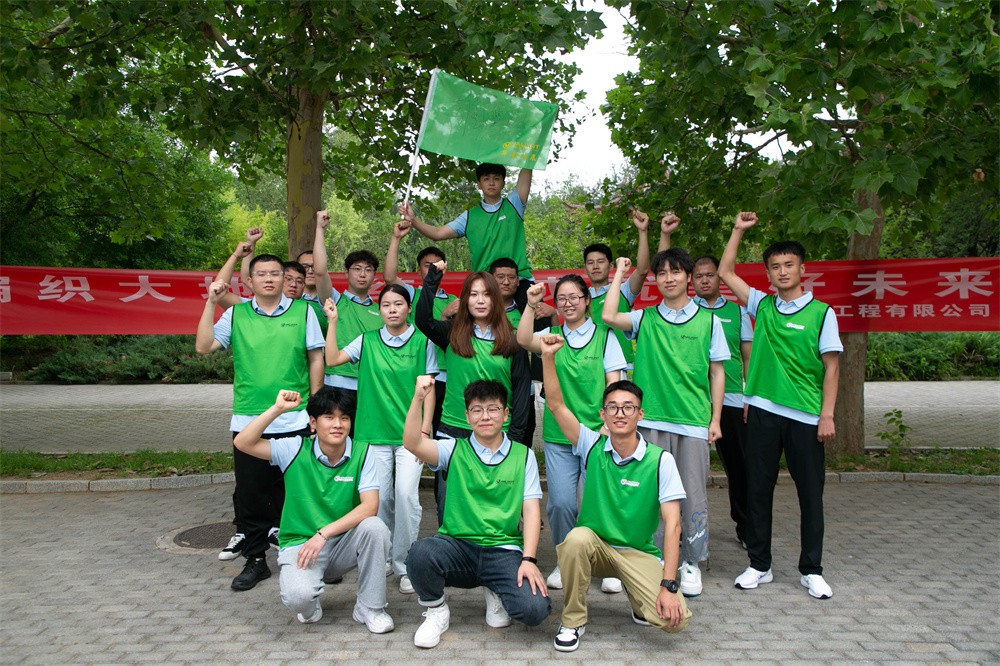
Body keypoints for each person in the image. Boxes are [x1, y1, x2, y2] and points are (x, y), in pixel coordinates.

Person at [718, 212, 842, 600]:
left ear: (802, 269)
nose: (782, 271)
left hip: (806, 416)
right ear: (768, 273)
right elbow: (725, 271)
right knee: (758, 490)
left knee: (810, 495)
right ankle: (759, 564)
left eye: (789, 264)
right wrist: (738, 230)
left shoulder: (822, 313)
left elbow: (832, 367)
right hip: (762, 413)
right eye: (775, 266)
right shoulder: (762, 305)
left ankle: (812, 570)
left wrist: (827, 414)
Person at [539, 335, 691, 652]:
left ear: (640, 414)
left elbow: (673, 526)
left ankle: (638, 598)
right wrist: (548, 358)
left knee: (674, 622)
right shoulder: (590, 445)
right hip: (595, 548)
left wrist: (668, 584)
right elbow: (555, 405)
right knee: (575, 539)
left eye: (628, 407)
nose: (620, 413)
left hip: (637, 552)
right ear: (603, 414)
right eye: (613, 407)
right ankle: (572, 621)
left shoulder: (660, 461)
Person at [601, 251, 728, 598]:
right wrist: (619, 273)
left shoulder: (709, 322)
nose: (669, 278)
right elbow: (608, 315)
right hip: (651, 421)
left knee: (693, 494)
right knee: (649, 494)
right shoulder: (645, 318)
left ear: (688, 277)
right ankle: (651, 558)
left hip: (692, 421)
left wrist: (715, 419)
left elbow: (717, 373)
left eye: (676, 272)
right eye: (662, 273)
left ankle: (691, 561)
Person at [195, 254, 325, 591]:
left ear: (284, 278)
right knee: (251, 494)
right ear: (249, 281)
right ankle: (255, 560)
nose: (269, 279)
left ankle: (306, 556)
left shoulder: (304, 312)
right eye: (262, 274)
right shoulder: (236, 314)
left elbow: (316, 358)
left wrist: (315, 407)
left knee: (298, 492)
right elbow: (204, 346)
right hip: (249, 418)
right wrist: (211, 303)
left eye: (275, 274)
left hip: (295, 417)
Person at [402, 376, 550, 649]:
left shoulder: (524, 455)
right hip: (458, 547)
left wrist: (529, 559)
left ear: (505, 414)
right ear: (467, 416)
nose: (485, 416)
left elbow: (531, 511)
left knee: (535, 610)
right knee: (420, 555)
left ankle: (495, 589)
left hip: (503, 551)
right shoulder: (453, 449)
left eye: (493, 409)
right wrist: (418, 398)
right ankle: (436, 610)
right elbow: (412, 443)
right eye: (477, 410)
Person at [232, 388, 394, 633]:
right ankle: (309, 603)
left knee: (375, 527)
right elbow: (243, 442)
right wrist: (277, 409)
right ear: (313, 423)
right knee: (299, 598)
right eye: (329, 417)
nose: (338, 424)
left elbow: (370, 506)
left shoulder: (363, 451)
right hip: (302, 545)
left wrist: (324, 534)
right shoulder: (294, 449)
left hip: (341, 543)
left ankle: (370, 607)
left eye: (344, 418)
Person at [323, 284, 438, 594]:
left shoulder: (422, 341)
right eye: (386, 304)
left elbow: (429, 388)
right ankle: (384, 554)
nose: (392, 309)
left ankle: (405, 564)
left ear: (409, 308)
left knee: (406, 495)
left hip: (411, 437)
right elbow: (332, 358)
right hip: (373, 434)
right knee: (380, 499)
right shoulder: (367, 340)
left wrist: (424, 430)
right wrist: (333, 321)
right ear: (380, 310)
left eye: (398, 304)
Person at [517, 277, 628, 595]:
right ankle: (566, 561)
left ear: (587, 300)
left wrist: (609, 424)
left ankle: (608, 564)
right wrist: (531, 305)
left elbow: (614, 383)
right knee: (561, 504)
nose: (568, 303)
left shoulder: (605, 337)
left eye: (574, 297)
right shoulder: (552, 336)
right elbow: (523, 339)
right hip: (559, 435)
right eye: (561, 299)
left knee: (599, 501)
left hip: (597, 434)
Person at [414, 261, 532, 523]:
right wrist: (433, 278)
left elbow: (522, 390)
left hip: (498, 433)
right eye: (473, 294)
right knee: (450, 507)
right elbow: (422, 319)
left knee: (494, 508)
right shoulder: (452, 333)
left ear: (495, 299)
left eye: (486, 294)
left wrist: (515, 436)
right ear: (465, 299)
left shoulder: (513, 339)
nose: (480, 300)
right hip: (454, 432)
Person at [399, 163, 534, 305]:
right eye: (486, 179)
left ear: (503, 183)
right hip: (485, 284)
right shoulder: (469, 216)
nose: (491, 183)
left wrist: (531, 153)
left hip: (519, 279)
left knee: (539, 317)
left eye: (496, 178)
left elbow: (527, 168)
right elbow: (437, 233)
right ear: (479, 184)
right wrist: (413, 220)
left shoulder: (514, 204)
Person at [691, 254, 754, 549]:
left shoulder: (738, 312)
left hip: (731, 400)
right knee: (685, 470)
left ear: (720, 278)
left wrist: (749, 396)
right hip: (693, 401)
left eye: (710, 275)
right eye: (698, 276)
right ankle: (683, 529)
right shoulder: (686, 311)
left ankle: (746, 527)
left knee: (740, 467)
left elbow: (748, 358)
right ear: (691, 281)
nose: (704, 280)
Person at [583, 209, 673, 367]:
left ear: (611, 266)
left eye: (601, 262)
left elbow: (642, 270)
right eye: (590, 263)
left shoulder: (623, 291)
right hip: (589, 366)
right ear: (585, 268)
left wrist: (642, 231)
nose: (595, 266)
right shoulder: (579, 298)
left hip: (622, 366)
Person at [490, 256, 557, 449]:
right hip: (489, 386)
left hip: (524, 389)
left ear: (518, 282)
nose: (506, 282)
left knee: (522, 443)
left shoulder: (530, 312)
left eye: (511, 277)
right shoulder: (480, 311)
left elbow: (552, 339)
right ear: (491, 279)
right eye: (500, 277)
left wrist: (553, 314)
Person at [321, 249, 383, 404]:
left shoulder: (381, 311)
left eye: (368, 270)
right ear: (346, 273)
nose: (362, 274)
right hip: (336, 382)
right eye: (357, 268)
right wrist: (319, 233)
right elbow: (320, 272)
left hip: (371, 384)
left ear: (374, 275)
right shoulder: (335, 300)